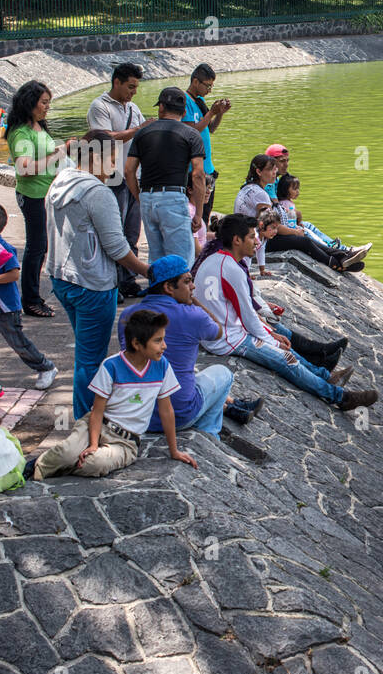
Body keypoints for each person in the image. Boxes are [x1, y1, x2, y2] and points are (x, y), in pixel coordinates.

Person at [195, 215, 375, 410]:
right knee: (285, 358)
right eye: (251, 237)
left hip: (225, 330)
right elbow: (247, 317)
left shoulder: (216, 259)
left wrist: (271, 334)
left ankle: (325, 376)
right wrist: (272, 340)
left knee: (284, 345)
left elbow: (244, 313)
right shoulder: (230, 268)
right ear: (236, 240)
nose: (257, 241)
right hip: (226, 339)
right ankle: (339, 397)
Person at [47, 130, 152, 418]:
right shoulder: (97, 192)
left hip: (61, 279)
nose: (114, 168)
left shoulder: (59, 182)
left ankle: (89, 414)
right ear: (95, 156)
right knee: (90, 361)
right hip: (92, 285)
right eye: (111, 159)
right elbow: (117, 247)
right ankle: (86, 420)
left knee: (84, 354)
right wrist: (147, 271)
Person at [29, 310, 198, 479]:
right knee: (66, 452)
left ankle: (64, 465)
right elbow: (97, 410)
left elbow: (166, 410)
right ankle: (36, 467)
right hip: (96, 426)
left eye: (163, 339)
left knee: (95, 464)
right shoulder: (111, 366)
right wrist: (93, 444)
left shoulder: (162, 366)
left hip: (126, 442)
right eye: (158, 340)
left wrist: (174, 450)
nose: (164, 346)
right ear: (137, 343)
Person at [118, 255, 262, 437]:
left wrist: (186, 295)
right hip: (177, 414)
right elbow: (218, 330)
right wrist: (193, 300)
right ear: (169, 287)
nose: (193, 286)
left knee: (186, 372)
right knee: (223, 373)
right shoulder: (192, 315)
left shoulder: (128, 315)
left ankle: (231, 407)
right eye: (187, 282)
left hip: (138, 413)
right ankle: (210, 433)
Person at [6, 80, 75, 318]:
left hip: (47, 194)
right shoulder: (20, 133)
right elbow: (24, 168)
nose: (47, 107)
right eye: (44, 102)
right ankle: (31, 299)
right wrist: (58, 153)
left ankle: (35, 296)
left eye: (48, 103)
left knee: (42, 247)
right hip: (33, 195)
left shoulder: (38, 126)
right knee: (36, 248)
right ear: (30, 102)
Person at [0, 203, 58, 390]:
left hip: (6, 309)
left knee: (18, 343)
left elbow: (14, 274)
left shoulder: (4, 249)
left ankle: (46, 367)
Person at [87, 62, 148, 299]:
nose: (133, 92)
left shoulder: (133, 108)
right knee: (113, 231)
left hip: (133, 175)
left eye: (136, 87)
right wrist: (139, 130)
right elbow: (103, 137)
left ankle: (127, 279)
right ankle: (111, 281)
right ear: (117, 82)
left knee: (132, 230)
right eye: (130, 86)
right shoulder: (99, 106)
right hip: (111, 176)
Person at [125, 86, 206, 266]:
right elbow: (198, 174)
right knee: (182, 260)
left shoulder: (143, 133)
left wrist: (139, 197)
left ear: (161, 107)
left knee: (157, 258)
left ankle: (157, 292)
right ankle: (180, 294)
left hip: (147, 196)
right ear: (184, 111)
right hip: (173, 197)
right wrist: (199, 213)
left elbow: (129, 170)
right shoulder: (191, 134)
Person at [182, 64, 230, 222]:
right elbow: (191, 132)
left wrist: (220, 114)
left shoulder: (200, 100)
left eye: (211, 86)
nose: (209, 90)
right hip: (193, 170)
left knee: (205, 213)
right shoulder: (185, 101)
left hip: (208, 168)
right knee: (196, 216)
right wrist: (211, 113)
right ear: (196, 82)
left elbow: (210, 129)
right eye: (207, 86)